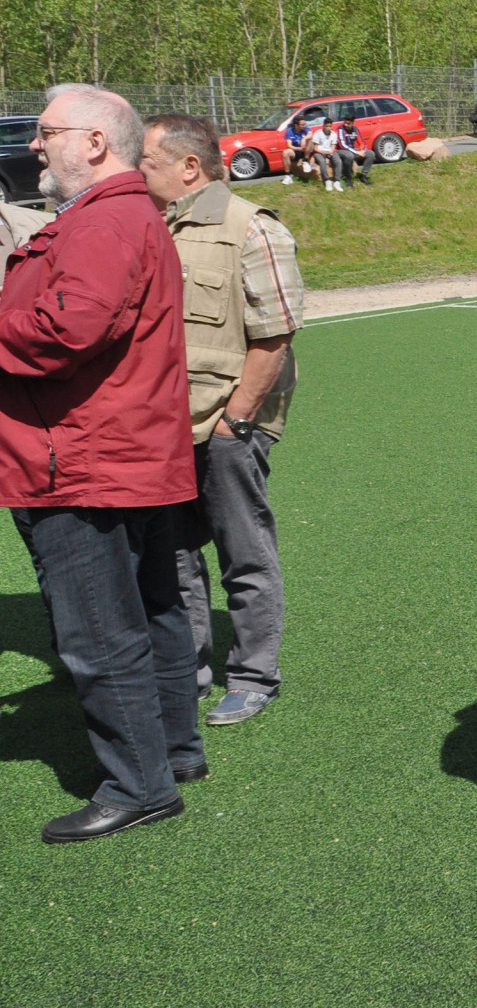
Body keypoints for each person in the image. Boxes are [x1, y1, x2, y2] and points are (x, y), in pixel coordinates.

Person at [0, 85, 203, 842]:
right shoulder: (118, 213)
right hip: (119, 450)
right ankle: (171, 753)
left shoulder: (105, 219)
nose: (34, 144)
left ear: (94, 142)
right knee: (152, 609)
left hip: (82, 458)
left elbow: (68, 328)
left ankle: (139, 784)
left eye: (47, 131)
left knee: (99, 630)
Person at [138, 113, 306, 727]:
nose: (137, 171)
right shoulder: (148, 225)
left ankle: (254, 676)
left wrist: (237, 420)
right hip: (162, 425)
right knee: (175, 554)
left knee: (244, 552)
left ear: (190, 167)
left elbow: (275, 335)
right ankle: (188, 669)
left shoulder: (250, 227)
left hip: (226, 424)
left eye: (147, 161)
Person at [335, 115, 375, 188]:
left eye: (348, 123)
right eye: (345, 123)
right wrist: (357, 152)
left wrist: (362, 150)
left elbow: (362, 142)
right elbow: (342, 145)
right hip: (340, 150)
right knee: (349, 156)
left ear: (353, 123)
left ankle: (363, 175)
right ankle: (348, 178)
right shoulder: (340, 129)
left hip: (352, 150)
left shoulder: (355, 129)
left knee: (371, 154)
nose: (346, 125)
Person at [307, 118, 343, 191]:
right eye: (327, 126)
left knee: (338, 161)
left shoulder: (333, 134)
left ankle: (337, 181)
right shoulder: (318, 133)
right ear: (323, 126)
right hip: (319, 151)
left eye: (330, 126)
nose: (329, 128)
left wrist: (331, 152)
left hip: (329, 151)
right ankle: (327, 180)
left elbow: (333, 146)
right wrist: (323, 153)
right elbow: (315, 148)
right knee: (322, 161)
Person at [280, 115, 311, 184]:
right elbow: (289, 145)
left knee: (310, 140)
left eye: (304, 124)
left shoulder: (306, 128)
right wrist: (299, 149)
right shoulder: (289, 131)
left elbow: (310, 134)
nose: (304, 126)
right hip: (296, 150)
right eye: (302, 125)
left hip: (306, 150)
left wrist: (304, 139)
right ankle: (288, 175)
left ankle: (306, 160)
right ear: (296, 125)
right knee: (285, 152)